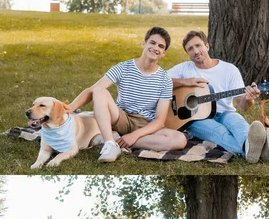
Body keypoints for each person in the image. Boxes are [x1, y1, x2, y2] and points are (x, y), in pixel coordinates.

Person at [65, 26, 187, 163]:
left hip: (145, 125)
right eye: (152, 43)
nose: (155, 48)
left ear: (163, 53)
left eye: (160, 46)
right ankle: (110, 143)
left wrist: (134, 135)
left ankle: (120, 140)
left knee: (180, 140)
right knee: (99, 90)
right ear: (144, 43)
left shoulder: (165, 79)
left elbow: (159, 121)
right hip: (122, 117)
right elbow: (92, 89)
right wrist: (72, 106)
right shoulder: (123, 67)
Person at [168, 30, 269, 163]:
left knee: (239, 125)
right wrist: (185, 81)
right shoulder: (183, 69)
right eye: (190, 49)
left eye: (198, 45)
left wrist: (248, 99)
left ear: (207, 46)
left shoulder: (229, 70)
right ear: (187, 53)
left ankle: (254, 148)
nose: (196, 51)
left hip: (225, 113)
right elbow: (159, 81)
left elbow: (243, 106)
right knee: (220, 132)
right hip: (195, 119)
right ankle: (258, 149)